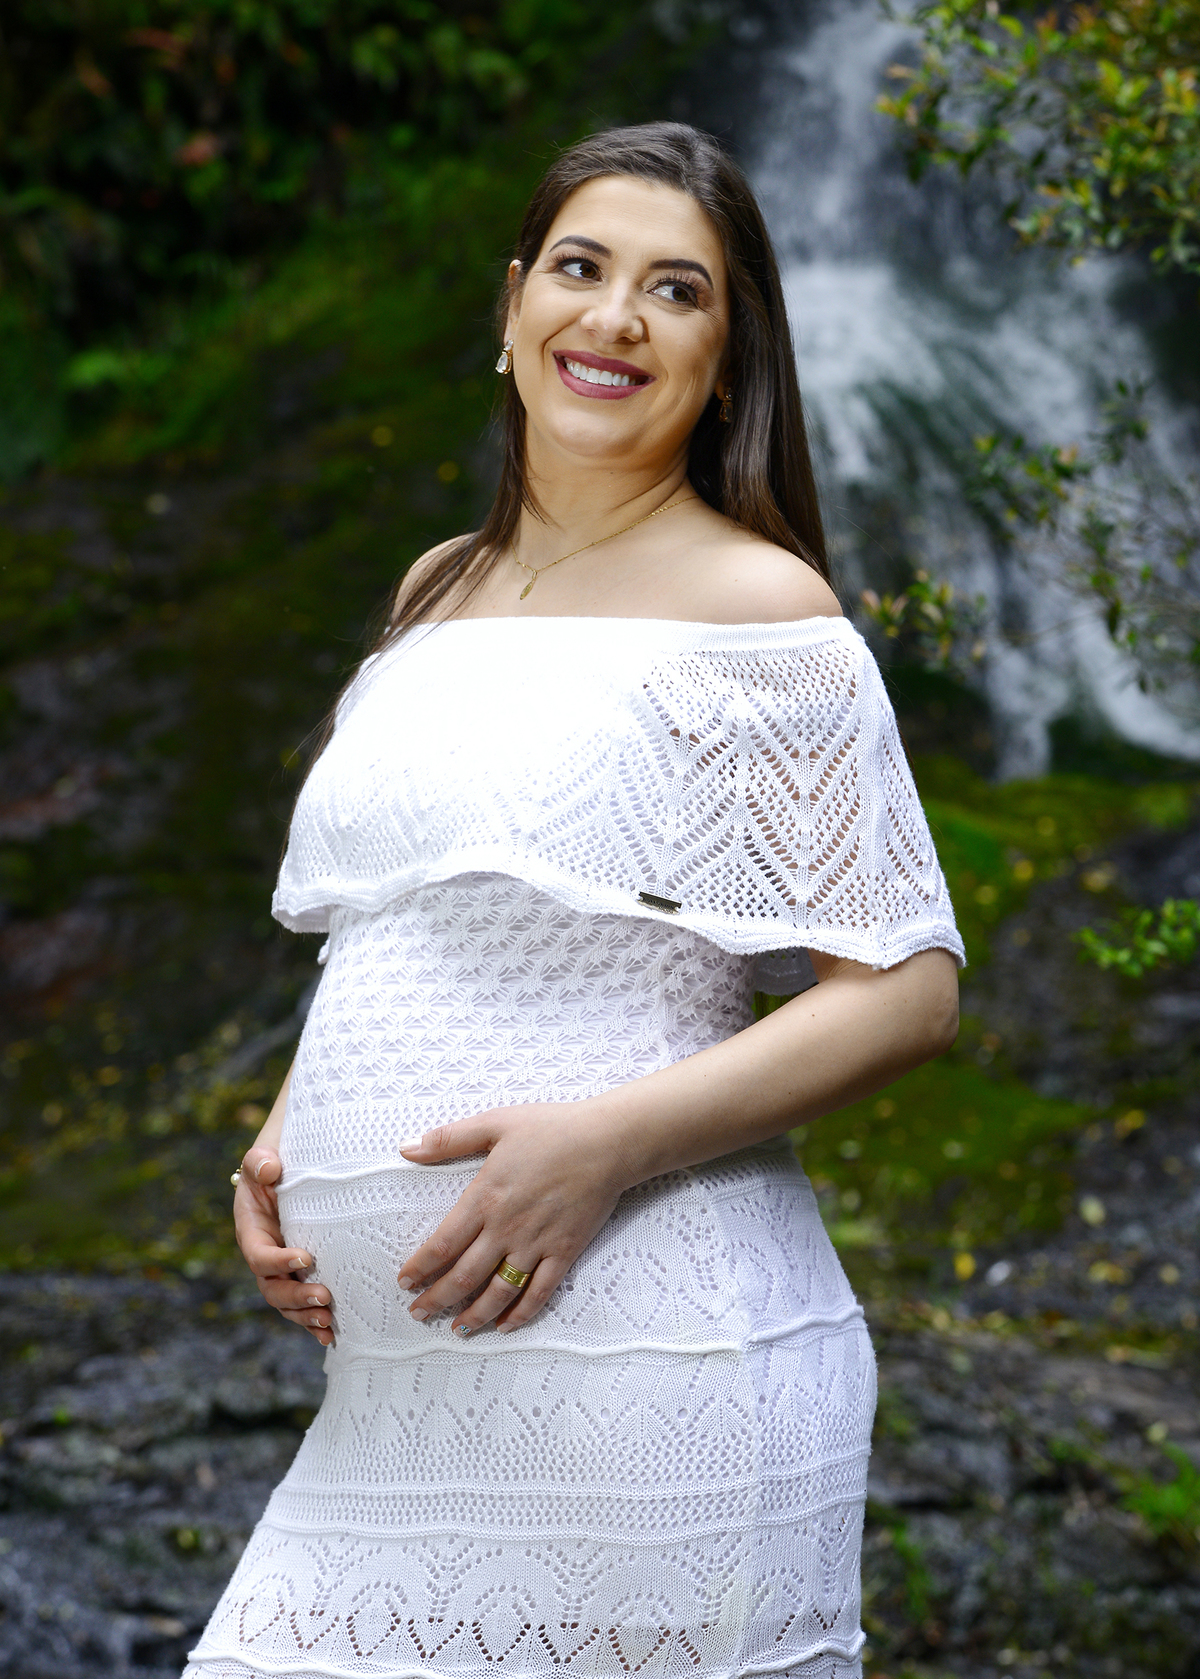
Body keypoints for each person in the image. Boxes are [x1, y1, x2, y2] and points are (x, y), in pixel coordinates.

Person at [184, 121, 963, 1679]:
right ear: (512, 306)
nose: (615, 317)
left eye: (677, 291)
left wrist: (600, 1146)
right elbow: (413, 914)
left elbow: (906, 991)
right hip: (399, 1390)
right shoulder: (435, 590)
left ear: (727, 365)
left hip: (648, 1346)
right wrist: (290, 1131)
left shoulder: (757, 604)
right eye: (581, 267)